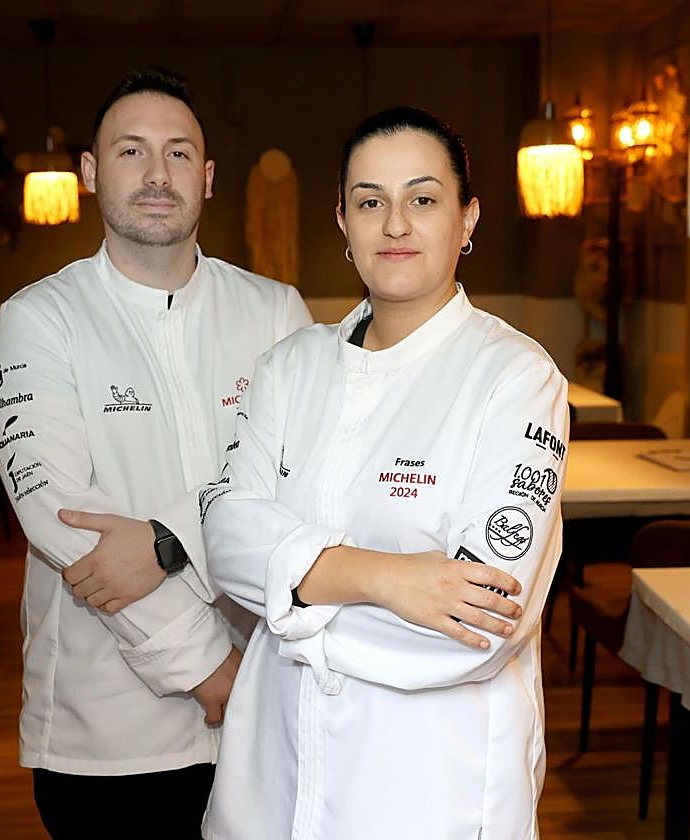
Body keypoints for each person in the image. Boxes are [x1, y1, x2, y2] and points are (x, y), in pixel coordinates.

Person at [200, 107, 570, 840]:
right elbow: (224, 538)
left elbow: (476, 625)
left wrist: (289, 601)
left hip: (432, 791)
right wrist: (384, 578)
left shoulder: (517, 379)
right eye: (371, 201)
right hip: (270, 782)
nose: (395, 224)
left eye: (423, 199)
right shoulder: (289, 367)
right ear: (342, 221)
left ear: (468, 219)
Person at [0, 68, 312, 839]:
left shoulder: (276, 313)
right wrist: (209, 670)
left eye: (177, 153)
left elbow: (307, 486)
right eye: (131, 152)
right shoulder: (39, 320)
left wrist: (163, 538)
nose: (157, 174)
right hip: (107, 736)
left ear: (206, 176)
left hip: (268, 712)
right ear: (92, 173)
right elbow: (65, 522)